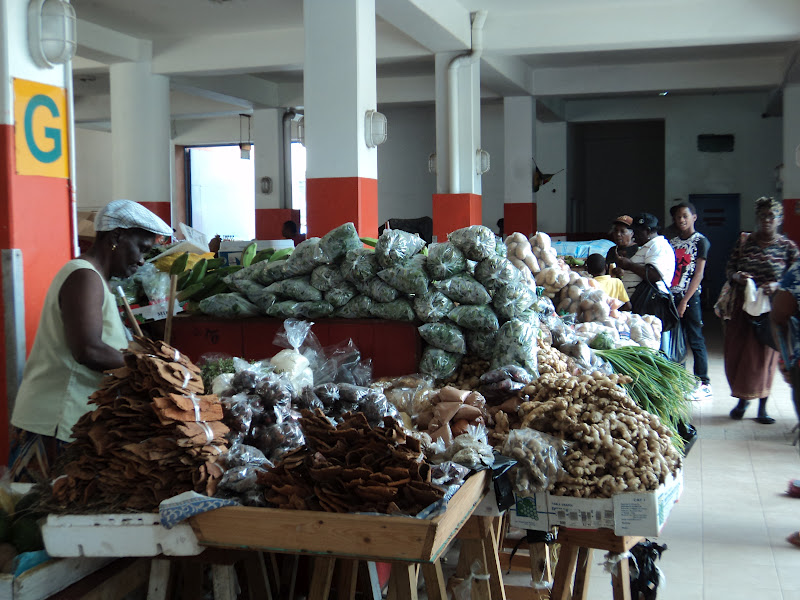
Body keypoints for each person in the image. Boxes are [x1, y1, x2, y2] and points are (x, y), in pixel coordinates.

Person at [8, 200, 173, 481]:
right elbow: (88, 349)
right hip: (56, 421)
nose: (142, 260)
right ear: (117, 236)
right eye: (142, 248)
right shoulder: (83, 276)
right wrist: (150, 367)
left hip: (69, 420)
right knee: (39, 507)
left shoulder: (95, 279)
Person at [724, 196, 798, 424]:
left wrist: (777, 285)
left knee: (765, 359)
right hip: (743, 306)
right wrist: (738, 277)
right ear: (757, 218)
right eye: (763, 215)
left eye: (771, 216)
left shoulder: (788, 248)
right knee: (738, 355)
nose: (767, 220)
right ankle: (742, 400)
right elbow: (730, 268)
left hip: (772, 310)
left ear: (780, 219)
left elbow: (795, 279)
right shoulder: (745, 241)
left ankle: (762, 407)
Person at [669, 202, 712, 400]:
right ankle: (680, 382)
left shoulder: (700, 241)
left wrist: (685, 301)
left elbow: (698, 274)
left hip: (690, 298)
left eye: (685, 216)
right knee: (677, 341)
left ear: (694, 217)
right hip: (672, 295)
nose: (681, 220)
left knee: (695, 339)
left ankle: (704, 383)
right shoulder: (673, 242)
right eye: (678, 217)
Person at [616, 213, 675, 298]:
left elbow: (655, 275)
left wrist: (629, 265)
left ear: (647, 231)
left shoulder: (658, 246)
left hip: (650, 301)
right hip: (637, 300)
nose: (633, 236)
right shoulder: (649, 246)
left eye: (636, 232)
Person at [605, 215, 640, 296]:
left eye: (622, 231)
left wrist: (624, 273)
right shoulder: (612, 250)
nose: (618, 234)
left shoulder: (638, 250)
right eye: (616, 231)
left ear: (632, 233)